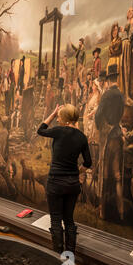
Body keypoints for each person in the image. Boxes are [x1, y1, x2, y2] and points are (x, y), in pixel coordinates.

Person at [37, 104, 92, 254]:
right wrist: (77, 172)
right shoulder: (81, 137)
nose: (58, 119)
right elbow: (88, 162)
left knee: (56, 219)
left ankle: (58, 256)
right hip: (72, 184)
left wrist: (53, 113)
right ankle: (69, 257)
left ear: (65, 119)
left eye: (60, 117)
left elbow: (40, 130)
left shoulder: (59, 131)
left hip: (55, 181)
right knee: (69, 220)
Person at [95, 64, 125, 220]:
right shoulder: (121, 95)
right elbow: (120, 114)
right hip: (117, 137)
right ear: (117, 78)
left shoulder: (106, 95)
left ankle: (102, 212)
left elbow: (98, 115)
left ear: (108, 79)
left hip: (107, 138)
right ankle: (121, 213)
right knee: (118, 176)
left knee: (104, 176)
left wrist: (101, 128)